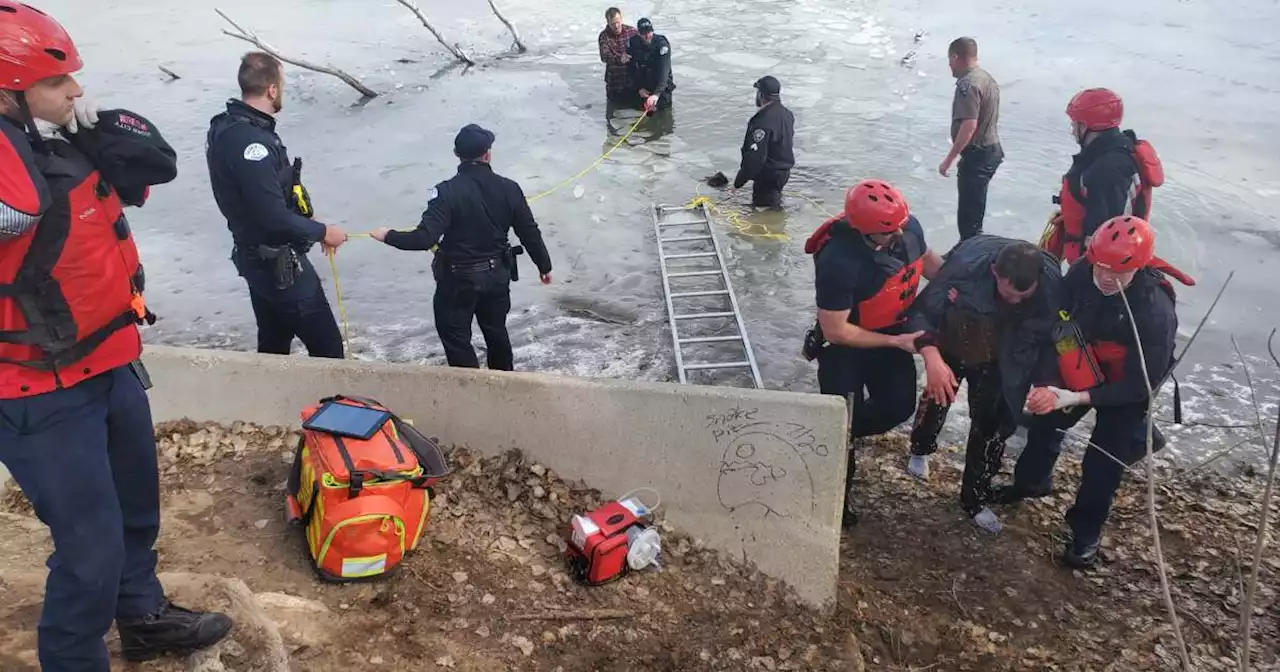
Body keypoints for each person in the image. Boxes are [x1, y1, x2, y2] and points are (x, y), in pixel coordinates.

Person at [0, 3, 233, 668]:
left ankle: (141, 616)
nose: (76, 91)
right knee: (89, 549)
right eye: (57, 83)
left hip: (109, 360)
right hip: (36, 390)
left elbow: (150, 166)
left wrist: (88, 132)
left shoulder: (56, 143)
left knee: (135, 511)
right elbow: (14, 211)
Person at [997, 216, 1192, 567]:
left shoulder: (1154, 314)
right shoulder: (1084, 272)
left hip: (1127, 387)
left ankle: (1085, 533)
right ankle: (1031, 483)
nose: (1104, 278)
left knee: (1102, 463)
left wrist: (1076, 398)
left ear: (1138, 266)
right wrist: (1047, 385)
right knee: (1044, 424)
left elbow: (1139, 385)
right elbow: (1057, 326)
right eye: (1100, 267)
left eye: (1117, 273)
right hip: (1083, 360)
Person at [803, 179, 945, 527]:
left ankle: (836, 434)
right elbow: (836, 329)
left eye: (899, 228)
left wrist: (959, 292)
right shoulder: (839, 259)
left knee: (899, 406)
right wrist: (895, 343)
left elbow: (929, 262)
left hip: (892, 333)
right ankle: (837, 500)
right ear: (863, 231)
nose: (898, 235)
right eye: (887, 233)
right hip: (844, 346)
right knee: (843, 415)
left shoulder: (906, 229)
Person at [904, 236, 1063, 533]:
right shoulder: (963, 268)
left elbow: (1055, 340)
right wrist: (931, 355)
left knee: (992, 425)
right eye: (1008, 293)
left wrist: (1046, 383)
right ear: (994, 273)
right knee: (937, 398)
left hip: (1003, 355)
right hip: (956, 337)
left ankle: (974, 498)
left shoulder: (1052, 287)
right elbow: (920, 312)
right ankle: (919, 449)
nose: (1014, 299)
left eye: (1023, 295)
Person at [369, 124, 553, 370]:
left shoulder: (445, 192)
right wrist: (544, 265)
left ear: (456, 154)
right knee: (496, 332)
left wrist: (387, 235)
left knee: (456, 338)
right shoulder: (510, 188)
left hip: (458, 281)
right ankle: (506, 386)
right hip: (497, 275)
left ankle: (471, 390)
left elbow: (424, 239)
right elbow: (529, 231)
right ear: (487, 154)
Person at [205, 51, 350, 359]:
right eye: (281, 84)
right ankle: (333, 405)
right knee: (329, 351)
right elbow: (271, 215)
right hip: (279, 266)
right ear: (272, 89)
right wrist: (323, 231)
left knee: (273, 345)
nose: (281, 90)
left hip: (255, 258)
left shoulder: (227, 126)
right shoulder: (251, 144)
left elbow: (263, 202)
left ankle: (270, 401)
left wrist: (307, 225)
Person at [1041, 88, 1165, 264]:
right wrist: (1071, 214)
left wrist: (1090, 273)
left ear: (1085, 126)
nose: (1072, 130)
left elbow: (1108, 232)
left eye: (1075, 124)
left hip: (1101, 264)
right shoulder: (1113, 151)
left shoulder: (1108, 170)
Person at [938, 37, 1003, 241]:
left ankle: (968, 255)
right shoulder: (986, 78)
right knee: (974, 210)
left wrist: (949, 159)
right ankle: (967, 249)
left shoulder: (968, 84)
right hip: (990, 150)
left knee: (969, 217)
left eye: (949, 60)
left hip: (978, 154)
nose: (949, 65)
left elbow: (969, 125)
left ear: (956, 57)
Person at [732, 76, 796, 209]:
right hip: (783, 173)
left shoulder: (762, 121)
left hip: (768, 175)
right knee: (774, 203)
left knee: (763, 212)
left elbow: (755, 157)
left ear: (761, 95)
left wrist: (738, 183)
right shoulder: (787, 114)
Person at [628, 18, 675, 112]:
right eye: (643, 34)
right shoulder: (633, 43)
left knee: (664, 117)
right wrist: (639, 88)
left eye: (649, 32)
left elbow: (664, 71)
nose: (646, 36)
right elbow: (631, 67)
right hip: (644, 88)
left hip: (661, 89)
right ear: (638, 33)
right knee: (645, 117)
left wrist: (656, 94)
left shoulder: (662, 44)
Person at [598, 7, 638, 106]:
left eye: (618, 22)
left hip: (632, 82)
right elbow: (605, 56)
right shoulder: (604, 36)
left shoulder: (632, 32)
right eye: (613, 24)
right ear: (608, 22)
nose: (616, 26)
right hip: (614, 84)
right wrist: (619, 59)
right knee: (614, 114)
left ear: (621, 19)